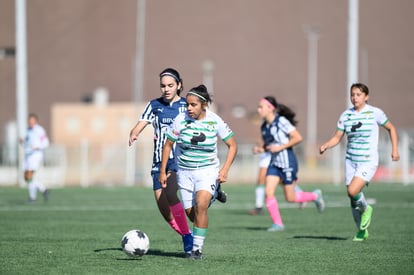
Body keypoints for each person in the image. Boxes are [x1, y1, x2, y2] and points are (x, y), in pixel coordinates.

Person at [159, 84, 237, 260]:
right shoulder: (180, 120)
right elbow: (168, 145)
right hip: (184, 172)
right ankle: (215, 194)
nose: (189, 108)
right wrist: (163, 171)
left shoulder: (215, 121)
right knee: (193, 215)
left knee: (201, 205)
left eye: (193, 105)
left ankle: (196, 250)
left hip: (207, 171)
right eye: (187, 104)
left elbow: (232, 145)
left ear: (203, 104)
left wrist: (224, 170)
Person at [319, 83, 400, 241]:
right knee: (352, 198)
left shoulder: (375, 113)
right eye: (353, 94)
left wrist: (395, 150)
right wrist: (326, 145)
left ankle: (367, 208)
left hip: (367, 160)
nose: (355, 98)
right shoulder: (346, 115)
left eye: (358, 94)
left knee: (352, 191)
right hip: (350, 160)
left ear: (366, 97)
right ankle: (361, 231)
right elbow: (337, 137)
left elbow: (391, 128)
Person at [128, 68, 193, 255]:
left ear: (179, 85)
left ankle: (190, 240)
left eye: (170, 85)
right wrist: (134, 133)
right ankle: (187, 235)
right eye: (163, 86)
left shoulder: (186, 105)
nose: (166, 89)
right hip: (158, 163)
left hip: (179, 160)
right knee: (164, 209)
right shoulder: (154, 105)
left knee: (171, 193)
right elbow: (140, 123)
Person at [259, 96, 325, 232]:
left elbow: (298, 138)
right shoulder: (264, 126)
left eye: (261, 107)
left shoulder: (281, 121)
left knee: (290, 198)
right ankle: (278, 224)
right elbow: (271, 145)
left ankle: (315, 196)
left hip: (287, 162)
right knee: (268, 192)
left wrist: (280, 147)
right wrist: (261, 149)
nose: (258, 109)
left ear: (271, 108)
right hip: (274, 163)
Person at [248, 150, 307, 216]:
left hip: (273, 155)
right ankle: (259, 207)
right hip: (266, 155)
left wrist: (262, 148)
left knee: (276, 180)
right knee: (267, 181)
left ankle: (302, 194)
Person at [22, 113, 50, 202]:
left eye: (32, 121)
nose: (30, 123)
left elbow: (46, 143)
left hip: (35, 155)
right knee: (27, 178)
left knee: (29, 176)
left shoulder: (39, 130)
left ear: (36, 121)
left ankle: (32, 197)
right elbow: (26, 143)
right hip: (28, 155)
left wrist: (37, 146)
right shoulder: (27, 130)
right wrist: (22, 142)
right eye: (29, 121)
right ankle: (43, 189)